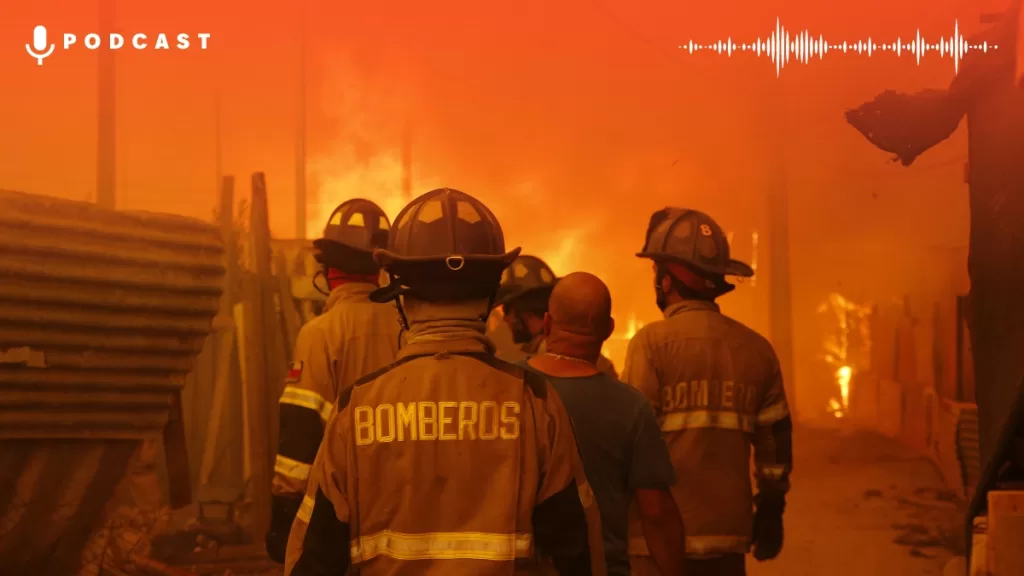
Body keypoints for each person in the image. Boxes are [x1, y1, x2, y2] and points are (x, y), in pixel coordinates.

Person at [285, 187, 606, 576]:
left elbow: (315, 558)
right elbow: (576, 552)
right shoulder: (536, 402)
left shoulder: (356, 409)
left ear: (401, 296)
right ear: (490, 295)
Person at [622, 208, 793, 576]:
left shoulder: (650, 345)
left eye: (657, 271)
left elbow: (630, 443)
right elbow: (775, 443)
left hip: (657, 542)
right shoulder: (757, 349)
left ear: (667, 281)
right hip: (727, 539)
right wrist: (770, 510)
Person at [523, 272, 688, 576]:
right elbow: (655, 512)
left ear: (547, 324)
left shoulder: (507, 388)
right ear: (609, 330)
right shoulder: (631, 407)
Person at [266, 199, 401, 564]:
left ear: (328, 270)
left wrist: (284, 509)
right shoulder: (408, 326)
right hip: (406, 500)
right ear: (380, 268)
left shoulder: (321, 333)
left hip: (342, 505)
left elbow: (302, 427)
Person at [492, 254, 619, 377]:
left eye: (507, 309)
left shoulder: (533, 370)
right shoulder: (593, 360)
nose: (505, 318)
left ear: (524, 310)